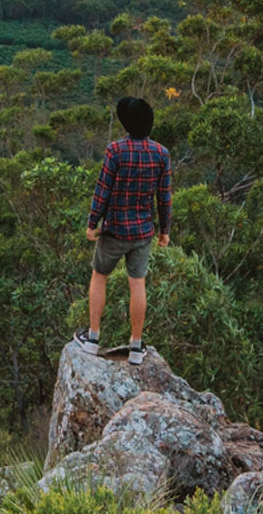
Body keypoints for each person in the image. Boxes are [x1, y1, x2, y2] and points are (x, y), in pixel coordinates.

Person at [73, 96, 171, 364]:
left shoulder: (115, 151)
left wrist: (92, 223)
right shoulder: (161, 154)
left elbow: (102, 190)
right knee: (137, 283)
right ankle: (136, 347)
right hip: (142, 233)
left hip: (114, 230)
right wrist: (164, 230)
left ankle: (92, 339)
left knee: (99, 276)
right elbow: (164, 197)